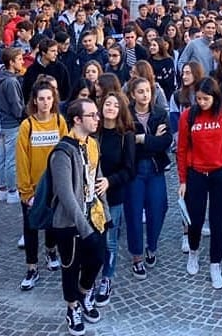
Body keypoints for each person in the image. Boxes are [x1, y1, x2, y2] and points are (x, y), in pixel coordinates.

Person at [50, 98, 108, 335]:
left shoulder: (92, 143)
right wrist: (84, 229)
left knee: (98, 258)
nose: (97, 118)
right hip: (69, 223)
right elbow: (66, 196)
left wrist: (105, 213)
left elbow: (97, 178)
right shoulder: (62, 152)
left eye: (96, 114)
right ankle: (72, 307)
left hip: (94, 215)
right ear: (77, 119)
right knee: (71, 267)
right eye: (92, 115)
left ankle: (84, 294)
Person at [177, 77, 222, 289]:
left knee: (218, 221)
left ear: (215, 97)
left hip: (220, 173)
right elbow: (182, 149)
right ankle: (193, 252)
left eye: (206, 99)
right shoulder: (188, 115)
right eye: (199, 99)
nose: (202, 102)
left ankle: (215, 264)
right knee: (195, 219)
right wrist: (182, 179)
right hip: (196, 173)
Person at [16, 77, 67, 292]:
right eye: (41, 99)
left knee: (53, 223)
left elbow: (65, 153)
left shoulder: (60, 122)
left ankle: (51, 251)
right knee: (30, 228)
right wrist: (26, 191)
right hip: (33, 187)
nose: (45, 102)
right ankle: (31, 267)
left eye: (49, 98)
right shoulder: (27, 125)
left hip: (54, 185)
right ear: (34, 101)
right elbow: (22, 160)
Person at [125, 77, 172, 280]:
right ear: (133, 94)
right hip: (134, 171)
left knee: (159, 208)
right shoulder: (126, 115)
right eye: (141, 91)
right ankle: (137, 256)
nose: (145, 95)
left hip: (155, 168)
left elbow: (166, 141)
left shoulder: (160, 113)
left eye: (148, 91)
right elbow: (126, 144)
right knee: (134, 214)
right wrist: (152, 139)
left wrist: (143, 138)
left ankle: (151, 246)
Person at [95, 90, 135, 306]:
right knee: (92, 238)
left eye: (115, 105)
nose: (110, 108)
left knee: (110, 240)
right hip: (91, 195)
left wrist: (109, 181)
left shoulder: (125, 135)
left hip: (113, 195)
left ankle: (106, 279)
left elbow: (129, 170)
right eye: (107, 104)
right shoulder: (94, 132)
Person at [0, 47, 26, 205]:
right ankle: (12, 190)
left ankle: (3, 189)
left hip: (2, 122)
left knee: (2, 157)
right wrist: (21, 115)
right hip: (11, 123)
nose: (22, 62)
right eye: (19, 59)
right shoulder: (11, 81)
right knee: (11, 158)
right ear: (11, 62)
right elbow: (16, 105)